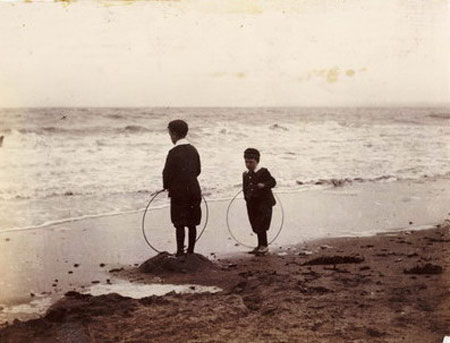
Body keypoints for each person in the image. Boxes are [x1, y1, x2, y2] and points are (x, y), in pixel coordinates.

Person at [163, 120, 202, 257]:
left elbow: (166, 173)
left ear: (174, 134)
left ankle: (180, 251)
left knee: (179, 223)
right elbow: (198, 170)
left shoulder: (173, 152)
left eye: (169, 134)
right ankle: (191, 251)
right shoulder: (193, 150)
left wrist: (167, 186)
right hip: (194, 190)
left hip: (179, 193)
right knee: (192, 223)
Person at [242, 148, 276, 256]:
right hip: (252, 203)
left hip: (264, 202)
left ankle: (264, 246)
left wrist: (264, 185)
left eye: (251, 162)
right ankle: (259, 245)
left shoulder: (263, 171)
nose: (248, 164)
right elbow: (245, 188)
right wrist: (246, 198)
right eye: (246, 162)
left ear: (257, 161)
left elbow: (273, 182)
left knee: (262, 224)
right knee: (255, 224)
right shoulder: (246, 174)